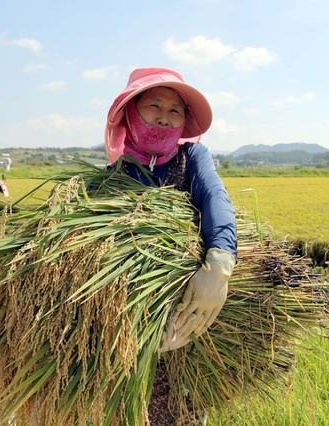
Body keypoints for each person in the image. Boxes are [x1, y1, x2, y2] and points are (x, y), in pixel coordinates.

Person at [105, 67, 237, 423]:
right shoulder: (110, 179)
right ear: (131, 112)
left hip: (188, 319)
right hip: (128, 329)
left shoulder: (190, 158)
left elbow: (215, 198)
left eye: (174, 110)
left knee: (183, 411)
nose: (164, 118)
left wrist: (220, 263)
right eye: (153, 106)